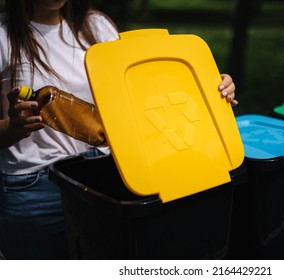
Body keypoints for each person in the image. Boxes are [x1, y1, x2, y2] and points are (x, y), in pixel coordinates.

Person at [0, 0, 238, 260]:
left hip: (102, 177)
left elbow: (144, 93)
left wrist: (209, 86)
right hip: (33, 188)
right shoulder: (3, 36)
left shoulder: (95, 26)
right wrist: (13, 128)